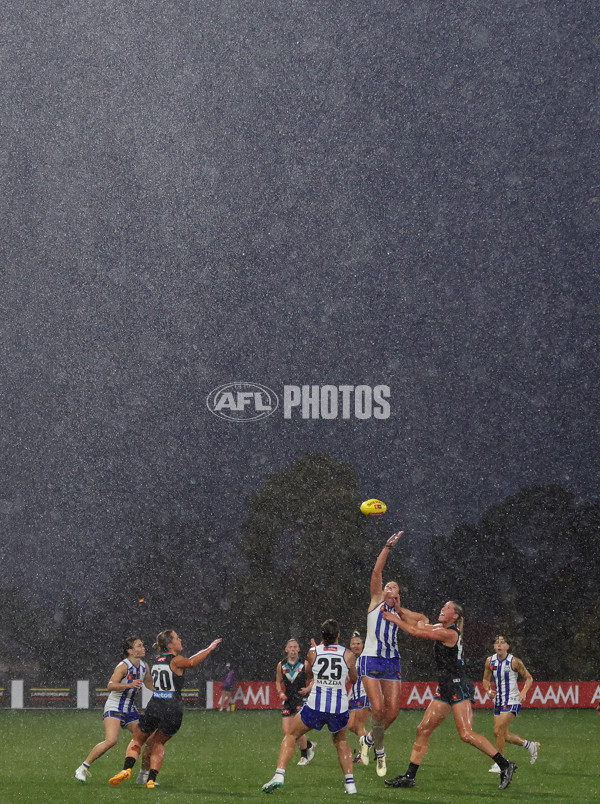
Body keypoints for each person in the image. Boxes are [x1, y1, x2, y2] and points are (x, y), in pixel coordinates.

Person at [383, 601, 518, 791]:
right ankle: (409, 777)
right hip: (446, 687)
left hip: (458, 686)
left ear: (454, 616)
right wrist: (398, 610)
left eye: (447, 608)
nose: (442, 609)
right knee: (423, 729)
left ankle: (505, 765)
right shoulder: (442, 628)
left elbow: (416, 632)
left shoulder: (450, 633)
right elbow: (420, 622)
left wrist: (394, 618)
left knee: (466, 734)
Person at [108, 629, 222, 789]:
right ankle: (150, 780)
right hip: (172, 708)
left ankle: (126, 768)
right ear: (170, 644)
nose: (180, 639)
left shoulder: (157, 661)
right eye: (177, 638)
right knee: (158, 743)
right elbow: (191, 662)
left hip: (155, 705)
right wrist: (209, 648)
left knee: (137, 739)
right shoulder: (175, 660)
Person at [357, 531, 427, 777]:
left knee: (393, 711)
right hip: (370, 658)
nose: (389, 588)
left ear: (398, 595)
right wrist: (387, 547)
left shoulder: (401, 613)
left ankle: (367, 739)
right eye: (387, 586)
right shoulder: (376, 600)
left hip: (391, 660)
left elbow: (423, 622)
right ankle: (381, 751)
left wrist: (400, 610)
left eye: (393, 587)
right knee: (377, 710)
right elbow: (377, 573)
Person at [262, 619, 358, 795]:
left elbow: (307, 673)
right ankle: (350, 785)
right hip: (338, 708)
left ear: (322, 636)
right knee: (341, 742)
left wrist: (314, 657)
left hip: (315, 705)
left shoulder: (313, 652)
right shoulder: (348, 655)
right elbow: (354, 679)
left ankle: (279, 775)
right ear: (338, 635)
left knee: (291, 735)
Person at [74, 636, 154, 784]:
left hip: (130, 708)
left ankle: (143, 776)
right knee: (111, 740)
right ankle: (83, 768)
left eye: (143, 645)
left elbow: (150, 685)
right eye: (139, 646)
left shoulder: (144, 667)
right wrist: (128, 685)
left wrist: (166, 694)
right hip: (115, 705)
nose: (143, 648)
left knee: (149, 739)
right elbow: (110, 686)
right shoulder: (123, 666)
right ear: (130, 651)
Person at [482, 635, 540, 773]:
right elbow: (485, 679)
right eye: (496, 643)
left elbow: (529, 678)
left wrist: (523, 692)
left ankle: (500, 763)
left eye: (502, 643)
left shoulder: (514, 662)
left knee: (498, 731)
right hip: (498, 700)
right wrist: (488, 690)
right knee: (503, 735)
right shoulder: (490, 661)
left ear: (507, 646)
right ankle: (530, 745)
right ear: (494, 646)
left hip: (513, 700)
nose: (499, 645)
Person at [275, 638, 316, 765]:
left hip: (301, 699)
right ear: (286, 650)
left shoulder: (304, 664)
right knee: (287, 731)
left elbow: (314, 678)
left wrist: (309, 688)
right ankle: (309, 745)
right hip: (289, 700)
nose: (293, 649)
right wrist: (281, 692)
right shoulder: (281, 665)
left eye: (295, 647)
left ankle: (304, 756)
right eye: (290, 647)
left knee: (297, 729)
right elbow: (278, 681)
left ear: (298, 649)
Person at [347, 631, 371, 764]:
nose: (356, 645)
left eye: (358, 643)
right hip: (355, 696)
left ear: (363, 645)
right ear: (350, 646)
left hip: (365, 694)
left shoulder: (366, 658)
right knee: (351, 726)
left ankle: (363, 754)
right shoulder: (351, 660)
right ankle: (371, 741)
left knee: (359, 725)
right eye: (353, 643)